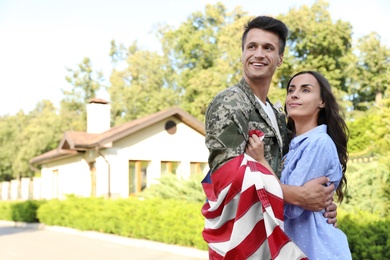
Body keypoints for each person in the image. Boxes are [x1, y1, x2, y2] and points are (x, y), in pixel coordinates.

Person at [201, 15, 336, 259]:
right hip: (241, 242)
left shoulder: (278, 116)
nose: (259, 54)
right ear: (242, 54)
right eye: (252, 47)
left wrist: (320, 205)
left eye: (268, 48)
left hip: (275, 238)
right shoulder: (230, 103)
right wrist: (298, 197)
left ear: (280, 59)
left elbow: (294, 173)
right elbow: (225, 179)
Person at [247, 71, 352, 259]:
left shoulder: (318, 143)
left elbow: (291, 208)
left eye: (305, 90)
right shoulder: (290, 146)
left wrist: (260, 161)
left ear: (322, 102)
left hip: (316, 251)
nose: (294, 94)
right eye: (291, 90)